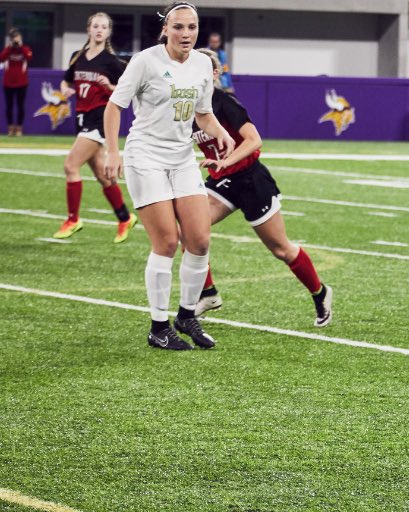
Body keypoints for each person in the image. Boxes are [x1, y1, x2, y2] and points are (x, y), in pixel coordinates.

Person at [103, 2, 235, 351]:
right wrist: (112, 151)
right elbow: (114, 105)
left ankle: (186, 316)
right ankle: (158, 326)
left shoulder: (204, 63)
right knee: (166, 242)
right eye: (178, 27)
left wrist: (219, 131)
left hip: (182, 158)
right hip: (146, 156)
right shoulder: (145, 61)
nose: (186, 34)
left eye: (191, 27)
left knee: (200, 241)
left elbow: (203, 113)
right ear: (166, 29)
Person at [190, 49, 333, 327]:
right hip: (222, 182)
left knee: (281, 249)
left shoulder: (224, 102)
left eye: (204, 69)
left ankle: (320, 292)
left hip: (250, 179)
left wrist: (225, 161)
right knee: (191, 229)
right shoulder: (188, 107)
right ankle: (208, 293)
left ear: (216, 74)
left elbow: (254, 140)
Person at [53, 12, 138, 243]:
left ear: (108, 32)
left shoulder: (112, 62)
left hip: (99, 121)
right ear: (89, 29)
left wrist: (109, 86)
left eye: (104, 27)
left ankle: (73, 219)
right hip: (81, 120)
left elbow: (127, 92)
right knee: (103, 176)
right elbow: (66, 80)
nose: (99, 30)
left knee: (70, 165)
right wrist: (66, 89)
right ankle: (125, 218)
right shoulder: (77, 56)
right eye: (95, 26)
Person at [1, 28, 32, 136]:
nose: (15, 41)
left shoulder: (25, 49)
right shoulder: (8, 49)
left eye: (17, 39)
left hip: (21, 82)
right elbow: (1, 58)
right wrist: (9, 47)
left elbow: (29, 57)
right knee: (9, 106)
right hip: (8, 82)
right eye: (14, 39)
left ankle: (19, 128)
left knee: (20, 106)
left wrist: (20, 46)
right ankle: (10, 128)